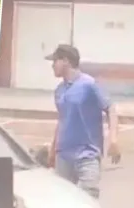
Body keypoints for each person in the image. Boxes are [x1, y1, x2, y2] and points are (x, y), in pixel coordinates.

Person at [46, 44, 120, 199]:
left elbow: (111, 109)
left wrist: (113, 140)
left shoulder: (89, 84)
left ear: (66, 61)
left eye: (55, 61)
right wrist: (53, 151)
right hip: (63, 156)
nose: (52, 66)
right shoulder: (59, 90)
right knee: (61, 199)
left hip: (87, 155)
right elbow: (62, 120)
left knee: (87, 197)